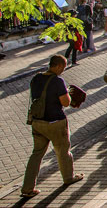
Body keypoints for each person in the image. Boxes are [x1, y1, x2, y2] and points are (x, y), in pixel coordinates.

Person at [20, 55, 84, 198]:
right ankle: (68, 177)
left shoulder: (36, 78)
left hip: (37, 122)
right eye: (63, 66)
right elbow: (66, 102)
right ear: (58, 66)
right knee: (63, 151)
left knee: (36, 154)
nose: (63, 70)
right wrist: (68, 93)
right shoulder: (57, 81)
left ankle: (27, 188)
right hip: (55, 122)